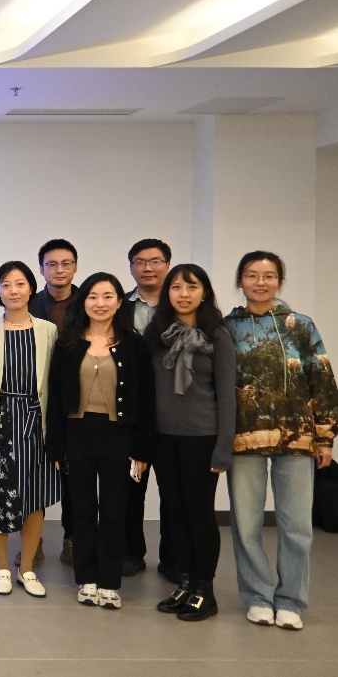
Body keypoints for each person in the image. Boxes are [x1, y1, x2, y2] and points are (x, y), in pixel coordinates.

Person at [224, 251, 336, 630]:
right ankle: (258, 596)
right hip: (243, 438)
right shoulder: (227, 327)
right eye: (251, 275)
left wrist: (325, 436)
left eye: (268, 275)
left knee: (297, 525)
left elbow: (322, 379)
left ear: (280, 281)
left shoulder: (300, 325)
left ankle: (291, 601)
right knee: (246, 523)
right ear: (240, 281)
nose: (260, 282)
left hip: (298, 438)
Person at [46, 272, 154, 609]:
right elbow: (55, 397)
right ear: (83, 303)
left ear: (120, 302)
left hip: (119, 437)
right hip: (77, 436)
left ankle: (109, 581)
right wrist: (56, 445)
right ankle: (86, 579)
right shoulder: (68, 342)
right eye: (93, 296)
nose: (100, 303)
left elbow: (146, 400)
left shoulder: (134, 344)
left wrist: (142, 449)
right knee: (81, 511)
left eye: (108, 296)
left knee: (113, 512)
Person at [144, 263, 235, 622]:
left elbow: (227, 396)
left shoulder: (217, 336)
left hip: (202, 438)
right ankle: (184, 583)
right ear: (167, 293)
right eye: (176, 287)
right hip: (164, 438)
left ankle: (205, 591)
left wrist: (223, 448)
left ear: (204, 292)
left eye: (192, 287)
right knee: (174, 512)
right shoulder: (156, 334)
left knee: (199, 514)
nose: (184, 294)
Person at [0, 261, 59, 598]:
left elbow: (53, 381)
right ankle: (2, 567)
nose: (13, 291)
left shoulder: (48, 330)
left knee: (34, 497)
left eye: (20, 283)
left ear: (31, 288)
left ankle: (27, 569)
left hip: (37, 421)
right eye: (6, 285)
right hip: (1, 421)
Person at [123, 238, 176, 580]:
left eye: (155, 261)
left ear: (167, 265)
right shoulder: (119, 305)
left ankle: (172, 558)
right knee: (130, 488)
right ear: (131, 267)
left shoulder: (181, 304)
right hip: (132, 411)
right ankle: (130, 552)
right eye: (140, 261)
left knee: (172, 491)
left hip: (173, 411)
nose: (148, 268)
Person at [30, 239, 80, 566]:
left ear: (75, 267)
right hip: (33, 400)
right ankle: (32, 540)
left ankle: (72, 538)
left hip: (74, 400)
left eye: (66, 263)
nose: (59, 270)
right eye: (52, 264)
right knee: (33, 472)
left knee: (73, 474)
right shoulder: (29, 302)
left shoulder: (88, 302)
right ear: (41, 269)